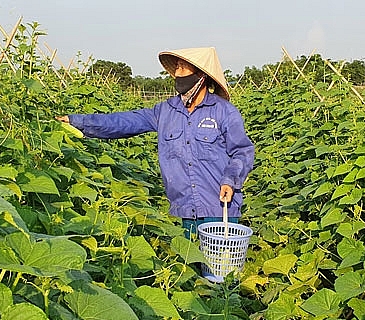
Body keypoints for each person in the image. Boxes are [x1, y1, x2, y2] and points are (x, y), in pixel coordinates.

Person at [56, 47, 255, 240]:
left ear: (201, 76)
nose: (178, 74)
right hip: (183, 210)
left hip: (219, 208)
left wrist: (230, 179)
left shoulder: (224, 111)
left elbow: (242, 151)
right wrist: (77, 121)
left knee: (220, 270)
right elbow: (124, 122)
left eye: (184, 68)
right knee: (189, 266)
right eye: (177, 68)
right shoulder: (165, 112)